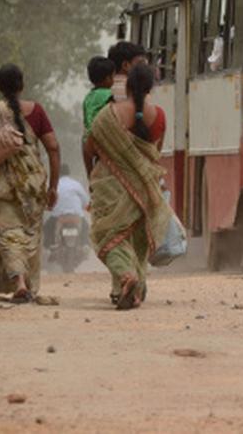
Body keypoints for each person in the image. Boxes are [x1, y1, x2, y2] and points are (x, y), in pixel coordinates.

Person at [0, 64, 61, 303]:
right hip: (33, 186)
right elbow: (53, 148)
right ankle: (24, 284)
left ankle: (19, 282)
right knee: (28, 236)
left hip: (1, 187)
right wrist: (53, 186)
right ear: (22, 85)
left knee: (9, 235)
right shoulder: (36, 111)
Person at [84, 63, 168, 309]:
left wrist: (92, 177)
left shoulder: (108, 115)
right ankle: (135, 290)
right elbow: (155, 154)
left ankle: (125, 276)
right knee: (138, 240)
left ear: (127, 86)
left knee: (108, 235)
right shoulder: (159, 116)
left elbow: (90, 148)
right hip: (144, 187)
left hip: (110, 185)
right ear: (150, 88)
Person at [44, 165, 91, 246]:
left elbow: (47, 202)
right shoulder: (76, 184)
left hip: (59, 217)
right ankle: (85, 244)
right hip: (76, 216)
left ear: (58, 173)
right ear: (69, 173)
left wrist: (49, 207)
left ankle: (49, 245)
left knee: (47, 227)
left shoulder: (52, 186)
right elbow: (85, 201)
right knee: (86, 227)